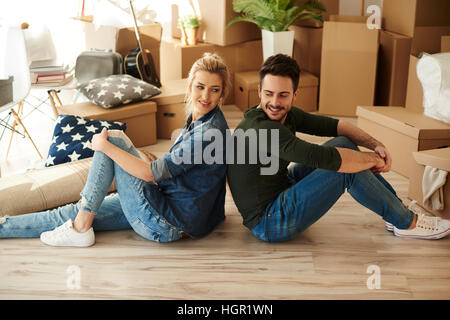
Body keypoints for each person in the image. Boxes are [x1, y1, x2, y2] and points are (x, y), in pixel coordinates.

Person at [0, 52, 231, 247]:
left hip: (164, 221)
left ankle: (81, 227)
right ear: (190, 85)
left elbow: (151, 173)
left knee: (112, 140)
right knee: (77, 210)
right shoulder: (200, 117)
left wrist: (103, 148)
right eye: (200, 87)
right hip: (162, 203)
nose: (205, 96)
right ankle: (6, 226)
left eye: (214, 90)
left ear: (222, 93)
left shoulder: (208, 133)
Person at [227, 53, 450, 242]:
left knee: (343, 144)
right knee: (343, 171)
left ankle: (396, 210)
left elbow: (335, 126)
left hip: (282, 187)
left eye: (283, 95)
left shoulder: (286, 114)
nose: (274, 102)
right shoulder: (261, 128)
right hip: (269, 220)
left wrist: (376, 145)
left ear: (295, 95)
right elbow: (322, 157)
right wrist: (373, 159)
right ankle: (405, 221)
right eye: (268, 94)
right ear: (259, 91)